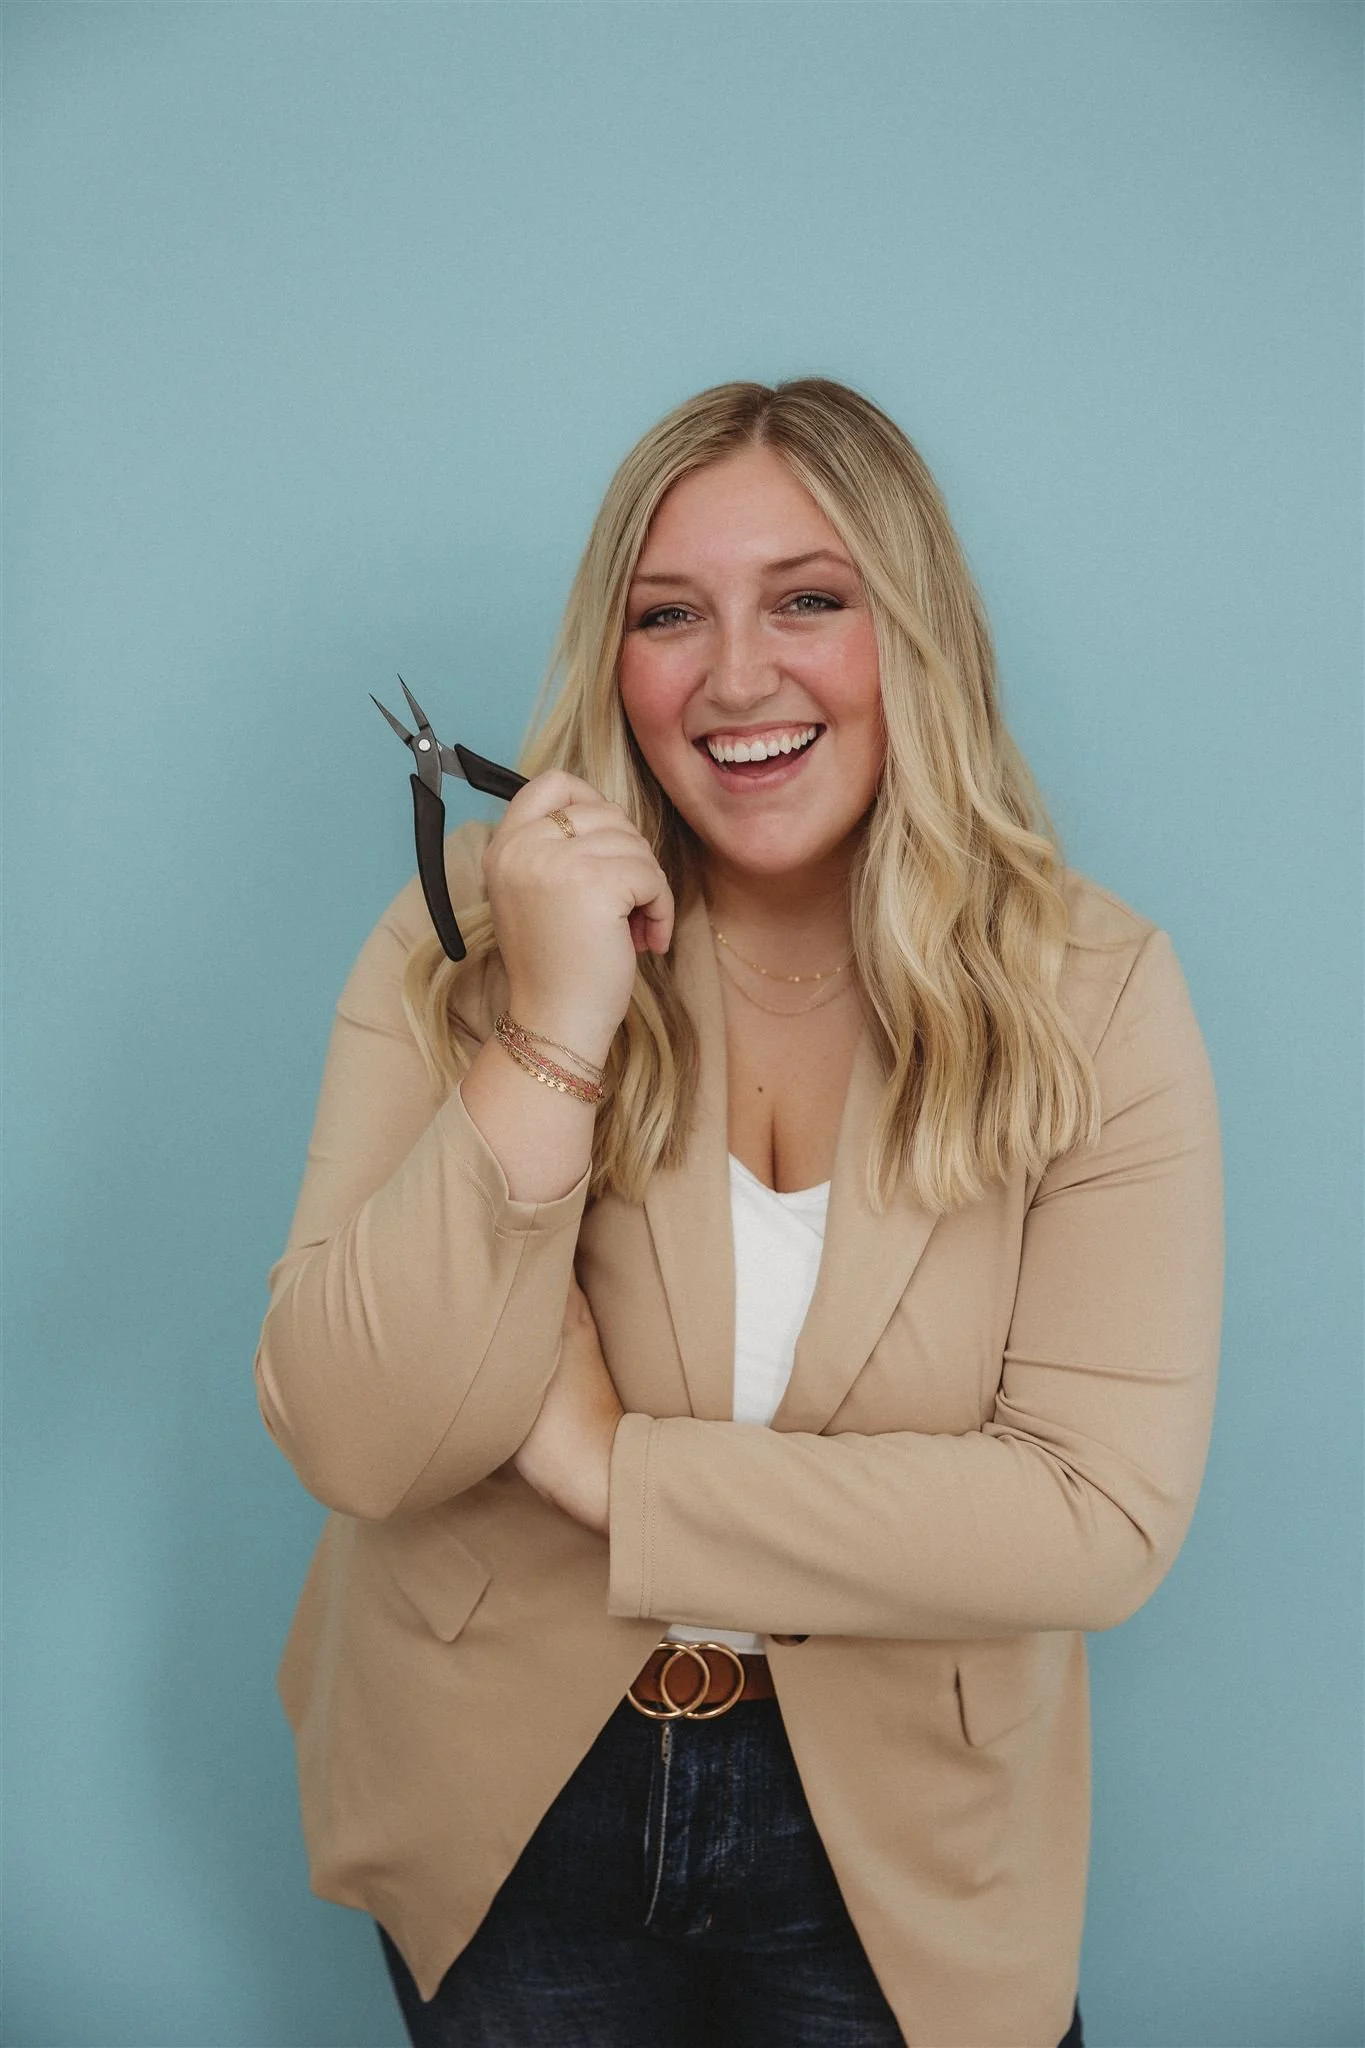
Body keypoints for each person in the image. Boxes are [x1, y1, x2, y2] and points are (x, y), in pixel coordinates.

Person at [254, 378, 1224, 2047]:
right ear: (610, 655)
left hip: (906, 1830)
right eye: (669, 616)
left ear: (912, 629)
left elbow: (1091, 1518)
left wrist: (604, 1470)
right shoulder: (464, 940)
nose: (739, 677)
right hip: (502, 1798)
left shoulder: (1098, 994)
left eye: (811, 601)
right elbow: (351, 1434)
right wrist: (557, 1022)